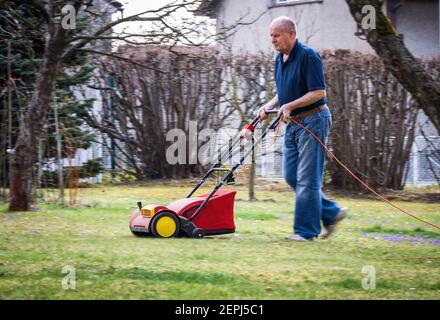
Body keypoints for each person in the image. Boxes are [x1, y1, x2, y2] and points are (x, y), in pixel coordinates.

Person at [257, 16, 347, 241]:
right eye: (271, 36)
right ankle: (331, 212)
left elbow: (318, 92)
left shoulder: (308, 56)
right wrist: (269, 105)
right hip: (294, 124)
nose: (273, 40)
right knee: (291, 176)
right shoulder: (280, 59)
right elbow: (285, 91)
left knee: (308, 178)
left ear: (291, 34)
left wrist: (290, 106)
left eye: (277, 35)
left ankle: (306, 233)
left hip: (313, 120)